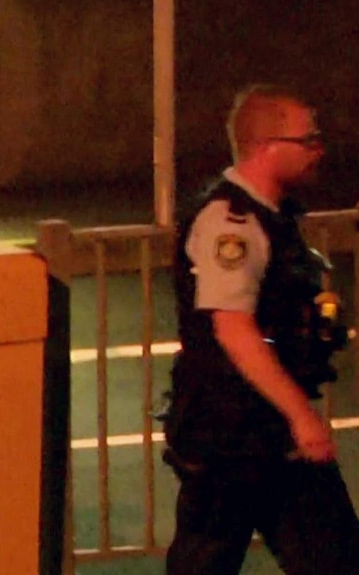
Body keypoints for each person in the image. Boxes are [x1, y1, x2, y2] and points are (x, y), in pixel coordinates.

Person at [162, 84, 359, 574]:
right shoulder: (234, 224)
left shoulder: (272, 217)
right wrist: (301, 415)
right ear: (267, 146)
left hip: (263, 431)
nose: (320, 151)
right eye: (308, 140)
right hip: (230, 433)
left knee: (334, 557)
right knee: (207, 561)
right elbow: (234, 330)